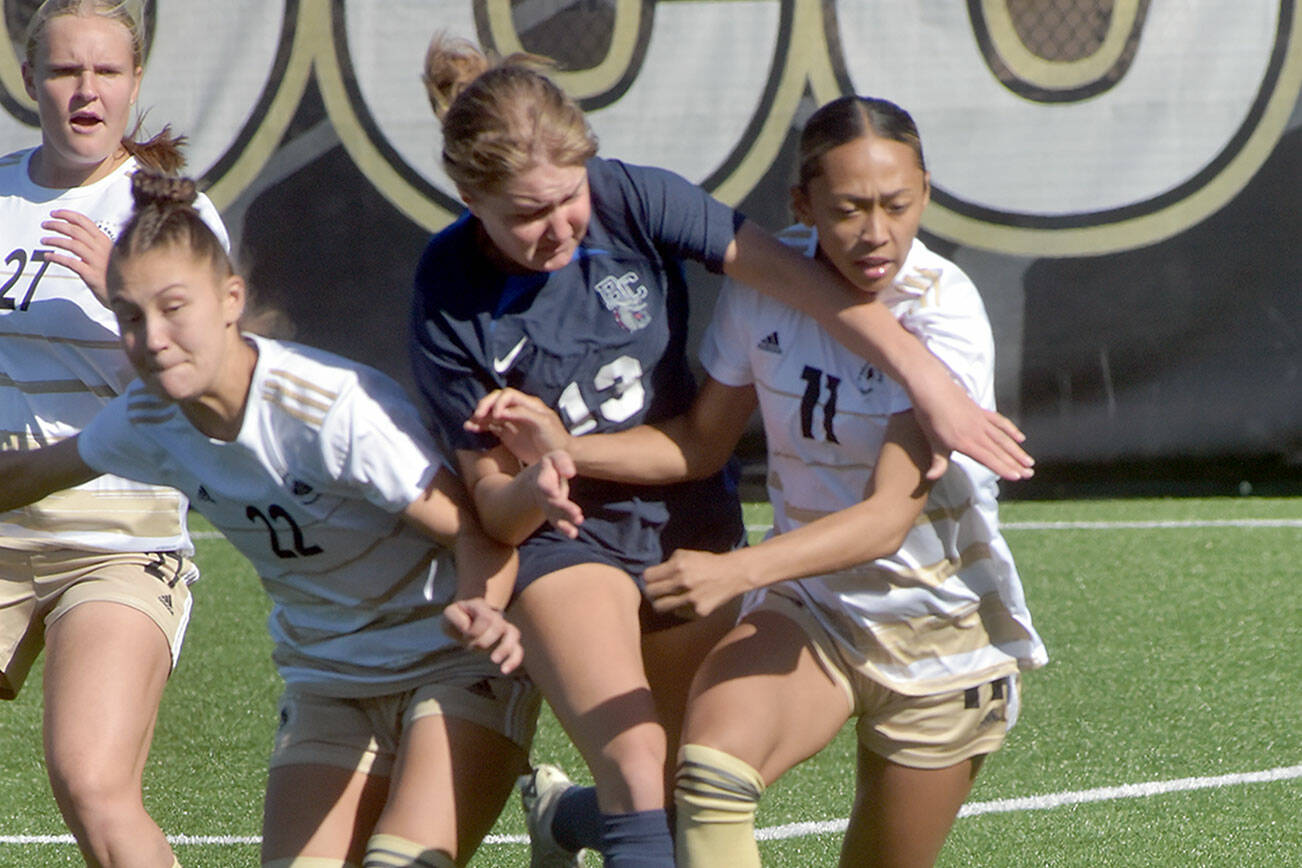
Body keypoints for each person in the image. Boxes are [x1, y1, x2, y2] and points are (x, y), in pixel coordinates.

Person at [411, 36, 1034, 868]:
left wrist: (740, 567)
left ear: (927, 192)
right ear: (803, 205)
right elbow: (702, 441)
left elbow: (887, 519)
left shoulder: (942, 309)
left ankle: (565, 817)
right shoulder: (753, 290)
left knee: (673, 789)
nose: (874, 233)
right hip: (803, 603)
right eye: (848, 208)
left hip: (935, 626)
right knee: (689, 775)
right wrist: (558, 458)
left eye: (897, 204)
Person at [0, 169, 538, 868]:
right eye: (130, 317)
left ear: (231, 299)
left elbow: (477, 531)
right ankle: (563, 821)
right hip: (329, 681)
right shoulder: (150, 417)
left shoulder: (329, 410)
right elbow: (24, 476)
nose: (154, 338)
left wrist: (481, 609)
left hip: (449, 662)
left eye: (174, 308)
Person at [0, 2, 228, 865]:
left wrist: (123, 291)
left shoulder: (169, 216)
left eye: (105, 71)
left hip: (118, 538)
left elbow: (214, 393)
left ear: (134, 83)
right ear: (30, 80)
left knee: (92, 785)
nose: (85, 90)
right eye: (65, 71)